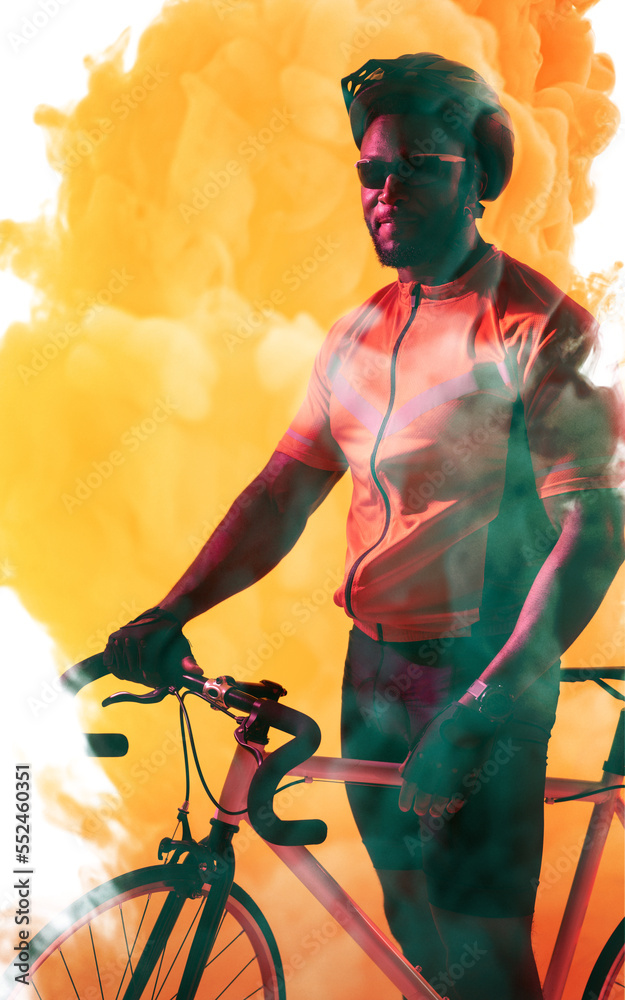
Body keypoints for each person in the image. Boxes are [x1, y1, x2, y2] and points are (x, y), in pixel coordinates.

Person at [104, 54, 624, 1000]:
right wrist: (168, 610)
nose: (385, 191)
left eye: (418, 165)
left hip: (480, 673)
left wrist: (488, 709)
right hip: (372, 671)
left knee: (484, 967)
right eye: (371, 172)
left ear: (477, 175)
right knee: (418, 939)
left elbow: (593, 528)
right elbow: (279, 495)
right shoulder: (356, 335)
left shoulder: (537, 327)